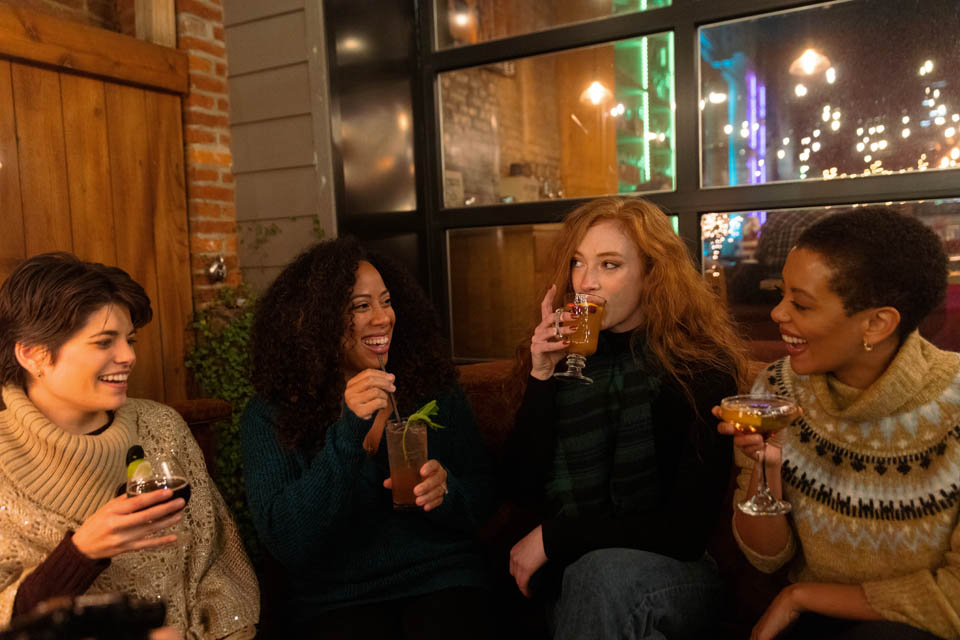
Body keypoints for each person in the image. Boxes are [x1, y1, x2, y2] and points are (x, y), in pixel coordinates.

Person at [505, 197, 748, 639]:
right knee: (588, 582)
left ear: (653, 275)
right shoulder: (565, 355)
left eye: (610, 265)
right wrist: (541, 377)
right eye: (578, 263)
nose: (586, 283)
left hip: (675, 571)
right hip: (579, 577)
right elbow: (521, 488)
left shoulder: (698, 367)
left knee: (600, 577)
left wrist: (557, 537)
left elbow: (685, 532)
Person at [717, 206, 959, 640]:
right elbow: (764, 558)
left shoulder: (954, 405)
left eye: (801, 304)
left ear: (877, 323)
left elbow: (953, 599)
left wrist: (800, 597)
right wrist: (768, 467)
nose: (777, 314)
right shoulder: (775, 390)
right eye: (781, 293)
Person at [241, 237, 496, 637]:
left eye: (386, 301)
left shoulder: (430, 386)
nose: (382, 318)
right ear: (315, 321)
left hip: (442, 578)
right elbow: (288, 541)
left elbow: (485, 495)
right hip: (336, 599)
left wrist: (447, 494)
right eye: (361, 307)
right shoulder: (271, 413)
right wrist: (348, 434)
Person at [0, 253, 259, 638]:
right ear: (32, 353)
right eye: (104, 342)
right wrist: (81, 553)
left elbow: (220, 573)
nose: (129, 356)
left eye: (129, 340)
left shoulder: (161, 427)